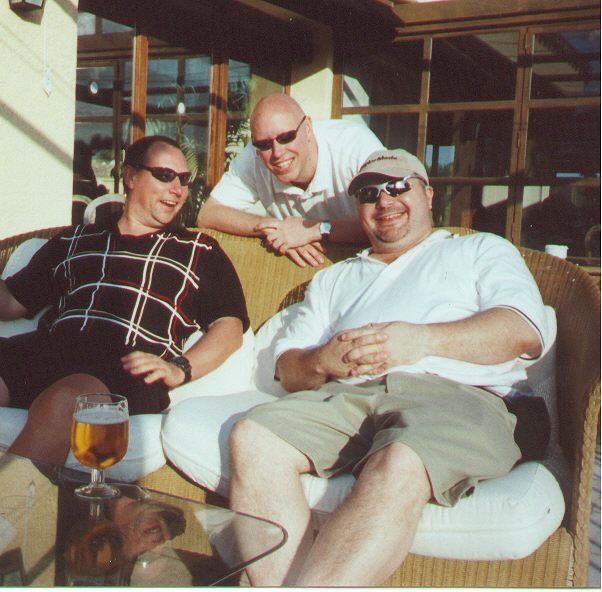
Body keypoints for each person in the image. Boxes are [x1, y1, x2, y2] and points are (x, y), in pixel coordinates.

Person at [227, 148, 552, 586]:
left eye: (399, 186)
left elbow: (521, 330)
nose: (385, 200)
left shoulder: (479, 249)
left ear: (428, 195)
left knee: (399, 459)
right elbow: (288, 368)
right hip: (348, 396)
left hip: (459, 396)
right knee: (254, 437)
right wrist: (322, 360)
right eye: (369, 193)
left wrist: (419, 341)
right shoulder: (334, 278)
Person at [0, 135, 249, 466]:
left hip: (124, 367)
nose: (178, 189)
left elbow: (229, 326)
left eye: (184, 180)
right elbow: (7, 302)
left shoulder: (198, 250)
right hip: (52, 350)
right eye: (165, 175)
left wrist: (180, 368)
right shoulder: (75, 240)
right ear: (130, 176)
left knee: (65, 400)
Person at [196, 93, 384, 267]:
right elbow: (208, 214)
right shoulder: (253, 156)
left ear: (308, 128)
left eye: (286, 137)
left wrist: (314, 230)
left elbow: (388, 222)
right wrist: (275, 228)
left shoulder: (355, 147)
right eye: (264, 144)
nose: (277, 153)